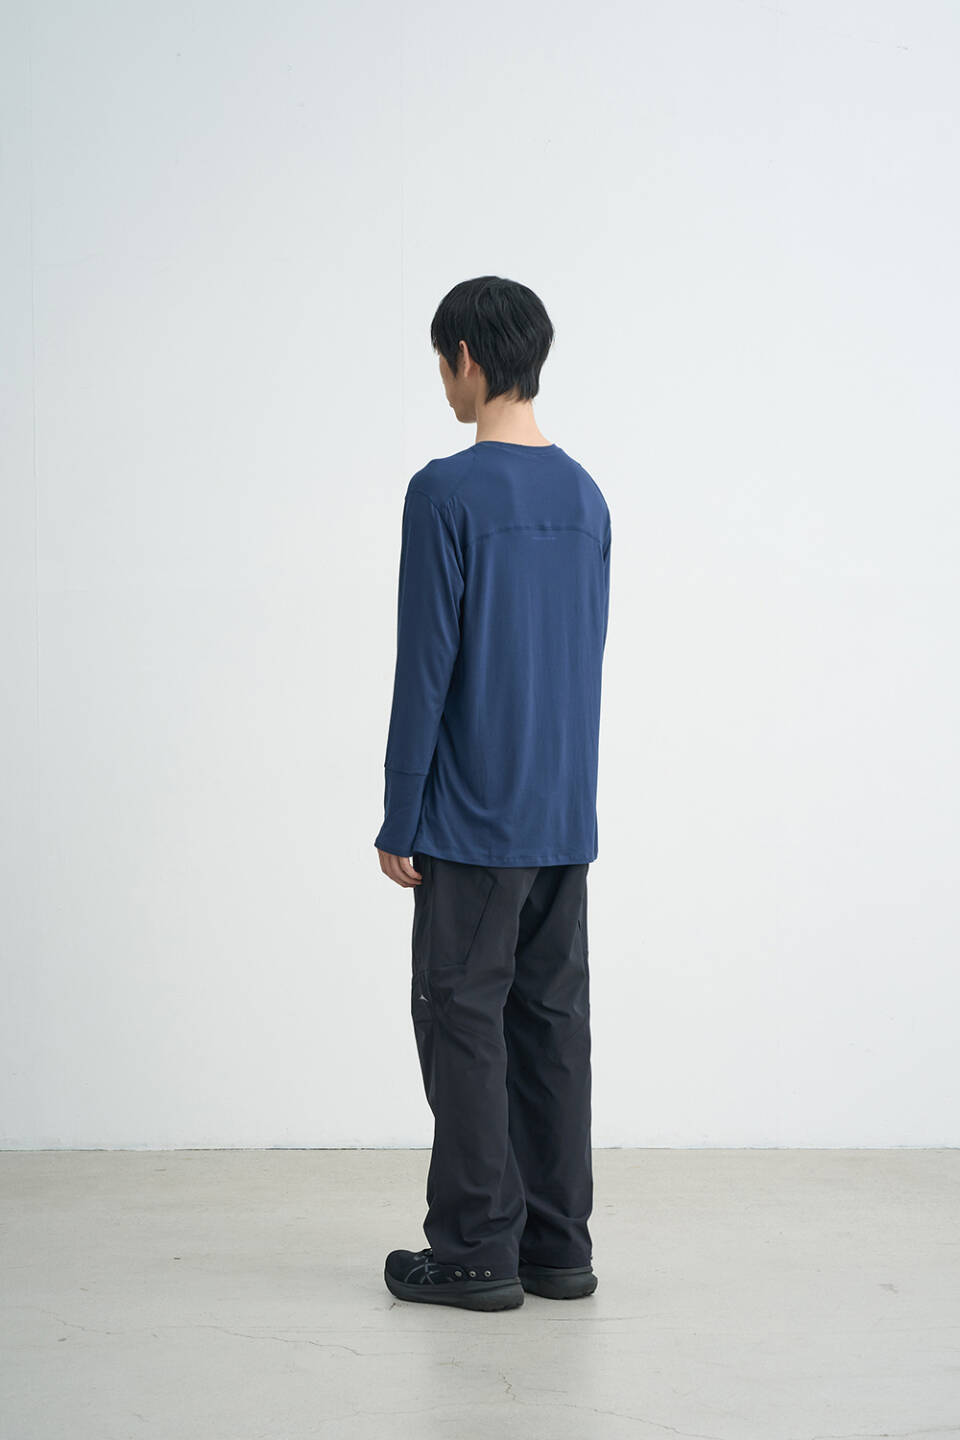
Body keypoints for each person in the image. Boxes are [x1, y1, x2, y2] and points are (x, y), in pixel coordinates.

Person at [375, 276, 611, 1311]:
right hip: (563, 813)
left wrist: (401, 809)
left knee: (461, 1018)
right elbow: (582, 657)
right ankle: (557, 1246)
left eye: (442, 362)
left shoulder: (447, 493)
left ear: (467, 357)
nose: (443, 382)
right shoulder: (586, 497)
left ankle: (476, 1249)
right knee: (549, 1024)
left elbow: (425, 665)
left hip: (473, 818)